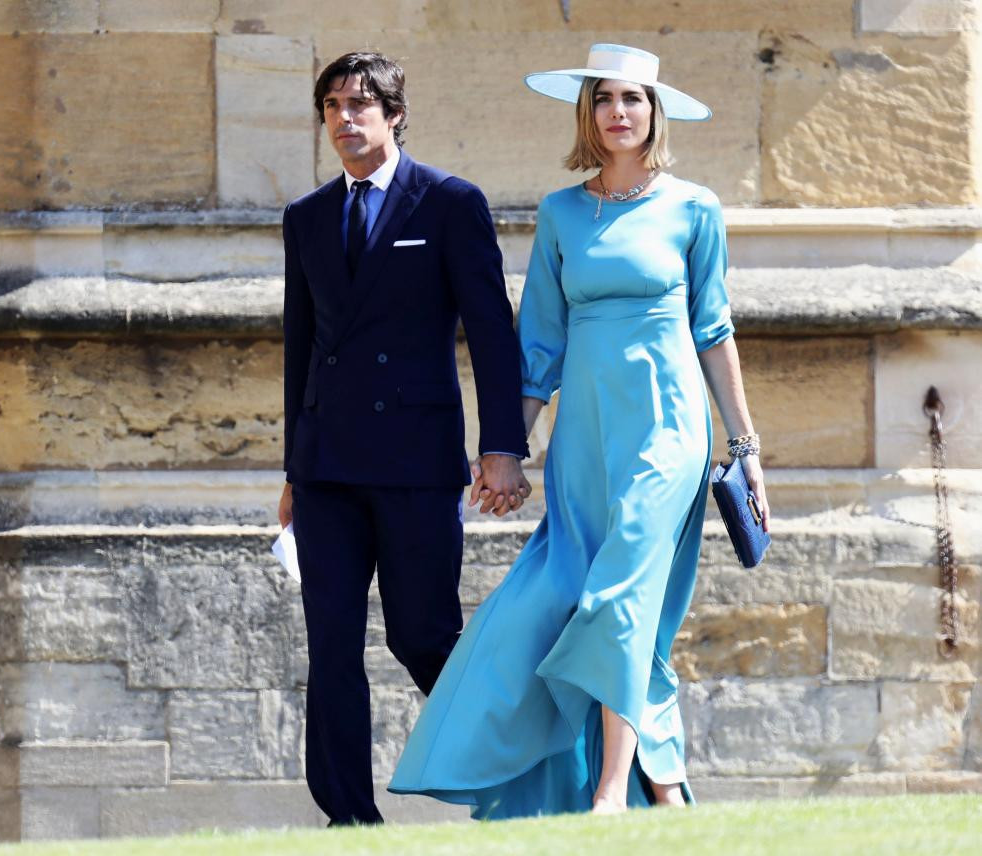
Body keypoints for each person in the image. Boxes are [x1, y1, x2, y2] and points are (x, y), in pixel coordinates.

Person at [389, 43, 769, 817]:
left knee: (621, 597)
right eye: (603, 99)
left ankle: (608, 796)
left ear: (654, 112)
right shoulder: (562, 213)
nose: (617, 112)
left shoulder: (695, 207)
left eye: (632, 99)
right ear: (587, 113)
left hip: (668, 428)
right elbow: (540, 345)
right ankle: (660, 780)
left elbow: (714, 331)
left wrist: (746, 446)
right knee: (568, 597)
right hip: (584, 438)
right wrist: (504, 450)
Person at [278, 51, 532, 826]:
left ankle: (510, 771)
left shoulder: (449, 203)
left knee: (422, 632)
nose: (345, 119)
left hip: (416, 461)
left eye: (360, 104)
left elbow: (492, 333)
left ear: (393, 115)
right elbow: (300, 347)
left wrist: (502, 447)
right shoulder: (306, 218)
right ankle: (347, 818)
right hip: (326, 467)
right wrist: (292, 468)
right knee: (332, 645)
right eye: (332, 107)